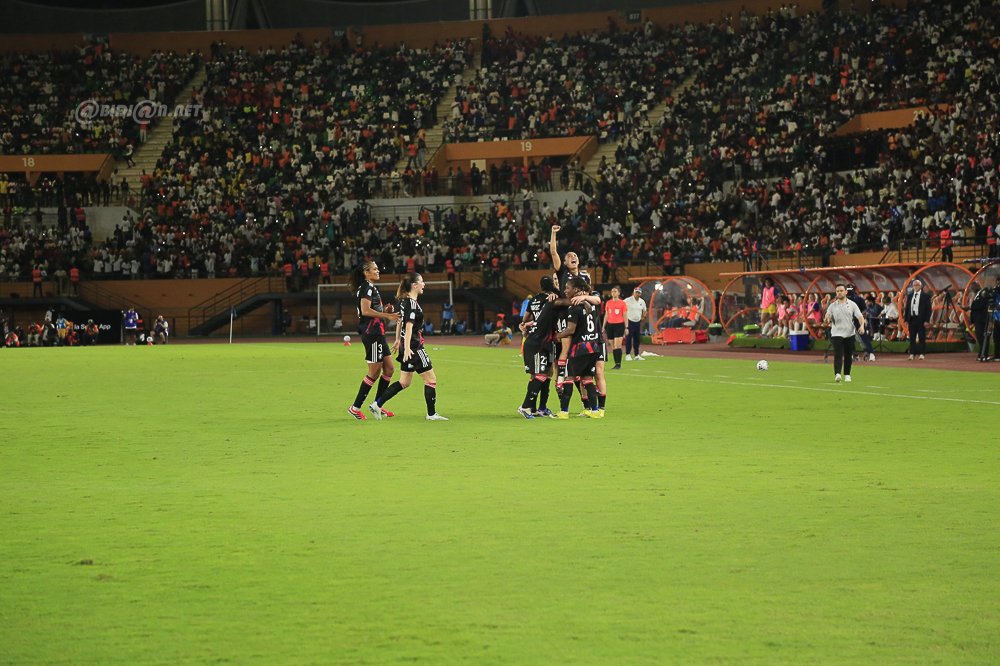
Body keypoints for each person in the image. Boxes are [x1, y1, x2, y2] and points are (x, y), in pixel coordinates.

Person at [369, 273, 448, 421]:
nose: (424, 284)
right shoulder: (411, 303)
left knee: (404, 382)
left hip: (407, 346)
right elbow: (409, 326)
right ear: (414, 285)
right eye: (422, 282)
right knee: (431, 380)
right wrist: (406, 348)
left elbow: (400, 321)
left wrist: (398, 339)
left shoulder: (404, 302)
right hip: (414, 347)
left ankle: (377, 404)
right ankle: (431, 414)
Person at [347, 261, 400, 420]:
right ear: (366, 273)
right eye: (375, 269)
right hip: (372, 334)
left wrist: (384, 310)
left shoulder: (370, 287)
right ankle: (355, 407)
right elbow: (365, 311)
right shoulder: (366, 287)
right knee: (375, 371)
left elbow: (373, 310)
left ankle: (377, 405)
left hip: (377, 332)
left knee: (389, 369)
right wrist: (387, 315)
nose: (378, 271)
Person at [555, 276, 604, 418]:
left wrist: (558, 335)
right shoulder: (591, 305)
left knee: (568, 378)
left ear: (576, 290)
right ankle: (595, 411)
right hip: (593, 347)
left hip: (579, 348)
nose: (565, 290)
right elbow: (597, 302)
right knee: (587, 379)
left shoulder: (574, 307)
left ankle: (564, 412)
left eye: (567, 288)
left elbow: (570, 329)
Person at [517, 275, 563, 418]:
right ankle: (531, 407)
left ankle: (535, 408)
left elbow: (525, 319)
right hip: (543, 340)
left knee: (540, 374)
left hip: (539, 338)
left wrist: (525, 324)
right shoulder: (551, 299)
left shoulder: (533, 300)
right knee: (544, 374)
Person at [823, 283, 866, 383]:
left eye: (841, 291)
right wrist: (827, 319)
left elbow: (860, 317)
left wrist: (862, 326)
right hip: (836, 333)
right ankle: (837, 374)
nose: (839, 293)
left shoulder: (852, 304)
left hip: (849, 333)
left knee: (848, 355)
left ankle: (847, 374)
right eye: (837, 291)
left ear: (846, 292)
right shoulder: (832, 306)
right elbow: (827, 317)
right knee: (838, 354)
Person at [904, 278, 931, 360]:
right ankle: (912, 354)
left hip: (921, 319)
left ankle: (922, 354)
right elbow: (907, 308)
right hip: (912, 319)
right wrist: (906, 319)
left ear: (921, 286)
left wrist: (927, 320)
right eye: (914, 285)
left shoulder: (925, 296)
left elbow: (928, 309)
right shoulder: (910, 296)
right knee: (912, 337)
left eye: (917, 285)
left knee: (922, 337)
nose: (915, 286)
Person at [603, 286, 627, 369]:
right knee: (613, 346)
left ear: (619, 293)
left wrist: (626, 327)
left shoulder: (622, 303)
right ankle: (616, 363)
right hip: (610, 325)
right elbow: (606, 315)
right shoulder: (608, 303)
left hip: (619, 325)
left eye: (615, 291)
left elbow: (625, 315)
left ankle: (618, 364)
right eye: (612, 291)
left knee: (617, 345)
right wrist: (603, 326)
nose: (613, 293)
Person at [623, 286, 647, 360]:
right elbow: (621, 306)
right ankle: (628, 354)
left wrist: (643, 316)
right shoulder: (628, 300)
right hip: (629, 321)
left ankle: (636, 355)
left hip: (637, 322)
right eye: (636, 292)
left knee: (637, 339)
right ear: (634, 292)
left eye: (638, 293)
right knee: (629, 338)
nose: (637, 294)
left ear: (640, 294)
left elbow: (645, 310)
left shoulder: (642, 301)